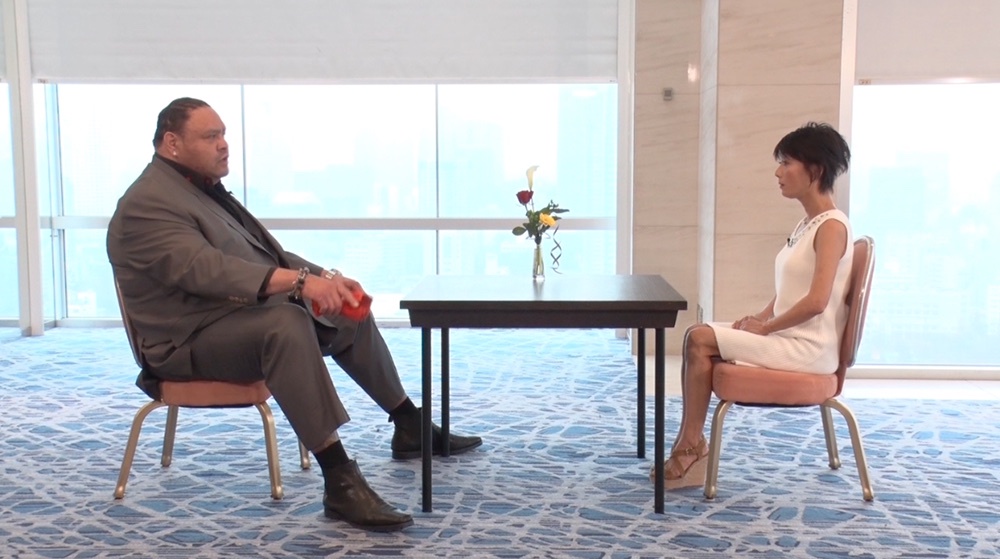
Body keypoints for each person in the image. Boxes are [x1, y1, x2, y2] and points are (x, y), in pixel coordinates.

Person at [107, 97, 483, 532]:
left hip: (229, 317)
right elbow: (207, 270)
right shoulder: (147, 203)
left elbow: (267, 256)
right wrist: (302, 284)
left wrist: (325, 280)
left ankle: (408, 423)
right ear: (172, 142)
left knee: (343, 310)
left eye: (224, 134)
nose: (224, 145)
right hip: (184, 342)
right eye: (211, 137)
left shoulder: (200, 189)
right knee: (286, 325)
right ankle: (339, 480)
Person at [652, 122, 853, 489]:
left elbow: (817, 301)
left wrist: (767, 328)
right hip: (788, 337)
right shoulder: (809, 223)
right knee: (699, 334)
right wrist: (760, 317)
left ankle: (690, 447)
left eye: (786, 163)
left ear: (815, 169)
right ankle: (690, 444)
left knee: (700, 338)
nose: (778, 173)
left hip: (808, 349)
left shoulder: (832, 228)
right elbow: (792, 289)